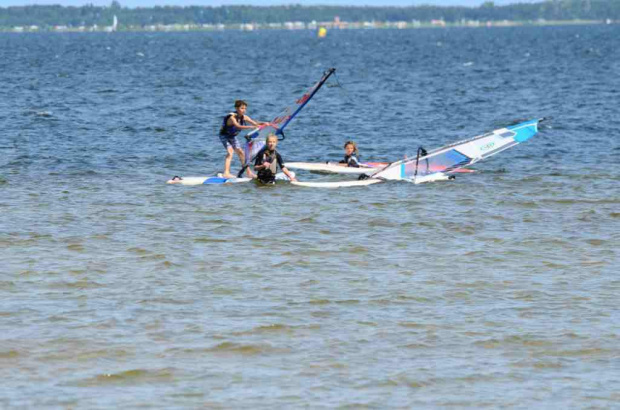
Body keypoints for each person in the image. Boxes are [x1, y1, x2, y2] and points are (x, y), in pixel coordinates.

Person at [219, 100, 266, 178]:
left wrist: (266, 123)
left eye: (245, 108)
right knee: (230, 152)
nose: (244, 110)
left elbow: (255, 123)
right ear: (236, 108)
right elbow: (238, 126)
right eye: (242, 108)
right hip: (224, 136)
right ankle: (226, 173)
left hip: (232, 137)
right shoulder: (232, 118)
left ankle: (248, 173)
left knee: (241, 152)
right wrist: (251, 127)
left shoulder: (244, 117)